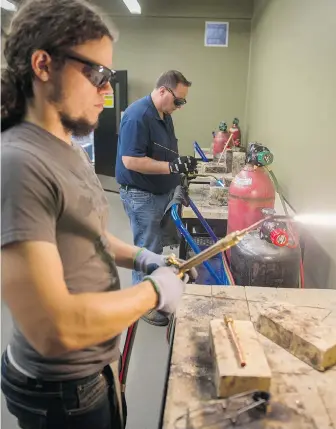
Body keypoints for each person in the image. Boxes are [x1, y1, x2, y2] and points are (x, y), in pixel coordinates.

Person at [0, 1, 196, 428]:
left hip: (94, 372)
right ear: (43, 65)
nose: (107, 91)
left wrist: (144, 259)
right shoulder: (19, 163)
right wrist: (153, 293)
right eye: (97, 74)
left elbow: (84, 235)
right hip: (61, 392)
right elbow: (56, 329)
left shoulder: (65, 150)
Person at [116, 71, 198, 327]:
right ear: (163, 90)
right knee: (146, 249)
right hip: (142, 196)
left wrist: (180, 164)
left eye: (183, 102)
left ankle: (154, 291)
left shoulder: (164, 113)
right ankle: (142, 304)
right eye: (178, 101)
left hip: (160, 193)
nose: (180, 107)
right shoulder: (137, 116)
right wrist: (171, 169)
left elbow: (162, 152)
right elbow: (130, 160)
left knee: (157, 248)